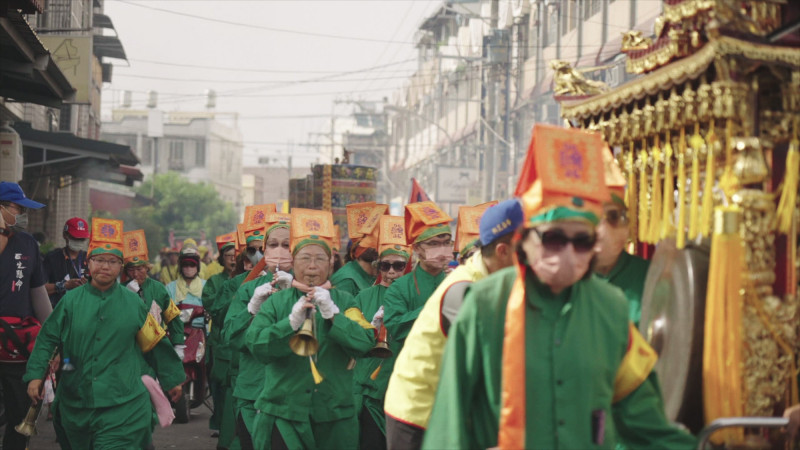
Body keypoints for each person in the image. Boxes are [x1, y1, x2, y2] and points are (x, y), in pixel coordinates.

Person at [423, 125, 695, 449]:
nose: (568, 252)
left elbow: (645, 421)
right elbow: (449, 423)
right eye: (554, 238)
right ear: (525, 240)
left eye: (582, 241)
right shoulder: (484, 305)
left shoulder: (611, 308)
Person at [23, 218, 184, 449]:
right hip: (77, 402)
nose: (105, 267)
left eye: (112, 261)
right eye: (99, 260)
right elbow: (48, 338)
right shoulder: (70, 301)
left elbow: (154, 342)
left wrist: (172, 378)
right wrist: (36, 375)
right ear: (88, 263)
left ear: (120, 267)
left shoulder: (133, 303)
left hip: (122, 405)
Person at [384, 199, 522, 449]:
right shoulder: (465, 289)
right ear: (503, 251)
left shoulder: (488, 280)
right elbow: (489, 362)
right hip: (418, 411)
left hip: (446, 405)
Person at [246, 208, 375, 450]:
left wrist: (334, 315)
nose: (312, 266)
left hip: (334, 417)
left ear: (332, 262)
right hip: (283, 412)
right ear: (293, 261)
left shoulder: (345, 301)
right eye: (305, 258)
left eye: (320, 259)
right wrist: (289, 324)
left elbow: (366, 343)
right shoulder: (277, 301)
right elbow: (256, 345)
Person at [223, 213, 293, 449]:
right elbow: (230, 337)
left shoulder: (310, 289)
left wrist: (294, 293)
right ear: (264, 251)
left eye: (287, 245)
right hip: (253, 389)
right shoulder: (248, 290)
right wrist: (251, 309)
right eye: (273, 245)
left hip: (293, 394)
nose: (279, 251)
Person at [0, 182, 52, 450]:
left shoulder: (27, 242)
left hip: (16, 347)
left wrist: (53, 336)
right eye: (17, 208)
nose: (21, 214)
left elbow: (38, 293)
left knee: (20, 413)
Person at [352, 215, 410, 450]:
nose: (391, 272)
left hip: (402, 391)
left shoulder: (416, 296)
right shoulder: (364, 297)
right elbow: (351, 338)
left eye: (399, 266)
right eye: (385, 265)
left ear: (409, 266)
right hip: (369, 389)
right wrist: (371, 328)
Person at [383, 200, 453, 359]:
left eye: (446, 243)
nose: (441, 250)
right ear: (416, 248)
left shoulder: (457, 282)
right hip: (414, 364)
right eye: (433, 244)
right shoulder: (399, 288)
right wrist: (436, 306)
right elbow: (396, 327)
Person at [594, 149, 650, 326]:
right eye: (595, 218)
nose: (604, 229)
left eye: (616, 217)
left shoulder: (649, 276)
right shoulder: (567, 279)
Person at [123, 229, 184, 351]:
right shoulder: (121, 289)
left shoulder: (158, 288)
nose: (135, 274)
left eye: (139, 269)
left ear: (147, 268)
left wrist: (178, 344)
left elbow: (172, 316)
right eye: (131, 270)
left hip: (156, 346)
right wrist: (126, 294)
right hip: (129, 348)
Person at [203, 232, 238, 438]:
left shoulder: (249, 279)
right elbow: (211, 305)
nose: (233, 259)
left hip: (239, 341)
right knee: (218, 384)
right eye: (229, 256)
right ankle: (219, 422)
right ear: (222, 259)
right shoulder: (214, 281)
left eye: (236, 255)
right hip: (219, 339)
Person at [330, 202, 386, 297]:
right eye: (366, 241)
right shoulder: (346, 280)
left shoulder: (376, 275)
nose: (373, 246)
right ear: (355, 247)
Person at [42, 217, 90, 306]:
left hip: (82, 307)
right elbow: (39, 288)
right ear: (65, 235)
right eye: (75, 238)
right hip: (58, 308)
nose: (78, 241)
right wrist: (64, 285)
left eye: (82, 239)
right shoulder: (53, 257)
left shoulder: (89, 259)